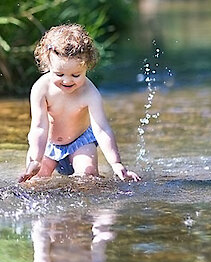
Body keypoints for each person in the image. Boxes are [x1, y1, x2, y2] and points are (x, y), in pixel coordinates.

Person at [19, 23, 140, 183]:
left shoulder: (90, 92)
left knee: (88, 176)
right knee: (35, 180)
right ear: (47, 64)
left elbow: (102, 129)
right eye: (59, 74)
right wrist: (36, 158)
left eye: (76, 75)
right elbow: (39, 127)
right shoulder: (41, 89)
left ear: (87, 66)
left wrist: (116, 163)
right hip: (48, 143)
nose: (67, 80)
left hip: (80, 142)